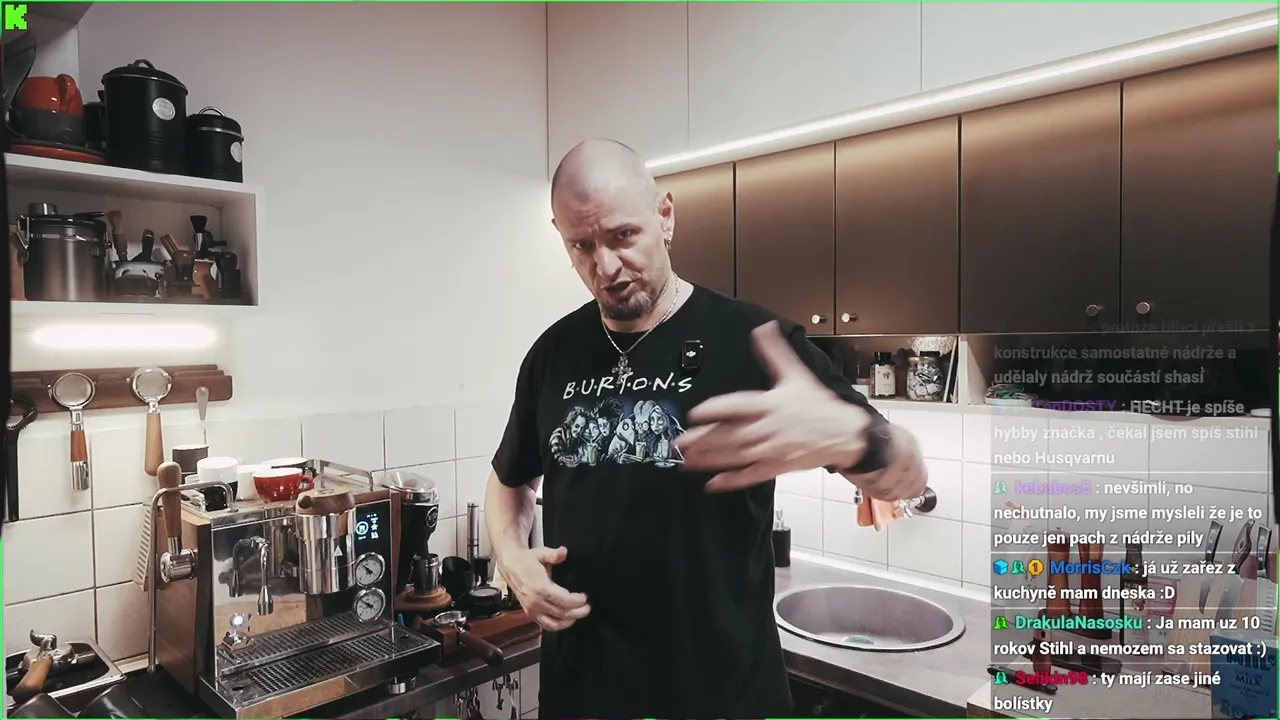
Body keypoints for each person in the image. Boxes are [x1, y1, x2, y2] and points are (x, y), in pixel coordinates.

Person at [484, 139, 927, 718]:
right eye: (582, 246)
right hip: (582, 694)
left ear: (665, 216)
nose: (605, 267)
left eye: (622, 236)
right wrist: (513, 558)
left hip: (724, 696)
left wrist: (860, 440)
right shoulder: (552, 353)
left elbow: (908, 479)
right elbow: (510, 479)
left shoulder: (753, 342)